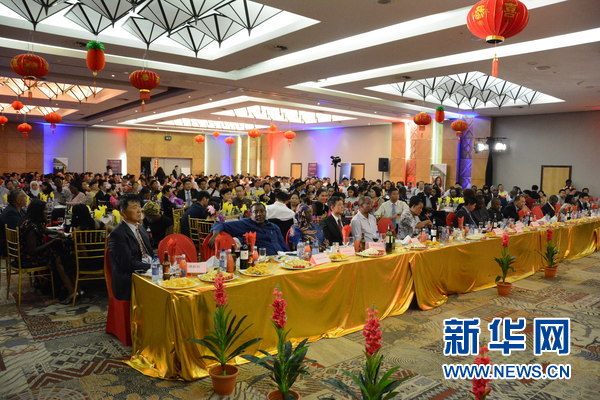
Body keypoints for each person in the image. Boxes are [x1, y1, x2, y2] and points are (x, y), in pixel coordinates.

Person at [19, 199, 75, 303]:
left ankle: (68, 288)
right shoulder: (31, 228)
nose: (46, 211)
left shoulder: (30, 222)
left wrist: (57, 233)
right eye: (44, 210)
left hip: (28, 254)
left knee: (61, 254)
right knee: (59, 258)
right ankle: (70, 289)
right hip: (29, 258)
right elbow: (32, 251)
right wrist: (52, 242)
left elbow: (44, 230)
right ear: (38, 211)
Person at [108, 194, 152, 301]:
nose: (139, 211)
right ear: (123, 212)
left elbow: (148, 252)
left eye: (139, 206)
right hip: (129, 278)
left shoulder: (141, 228)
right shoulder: (117, 234)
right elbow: (127, 263)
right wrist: (151, 267)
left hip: (145, 270)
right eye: (134, 207)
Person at [209, 203, 288, 255]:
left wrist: (289, 257)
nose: (259, 214)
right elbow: (220, 224)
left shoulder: (274, 227)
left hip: (281, 258)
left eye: (262, 211)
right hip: (262, 260)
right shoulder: (245, 224)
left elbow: (284, 246)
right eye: (255, 212)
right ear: (250, 214)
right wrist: (214, 235)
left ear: (265, 213)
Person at [0, 189, 28, 256]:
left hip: (18, 241)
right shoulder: (11, 213)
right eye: (25, 196)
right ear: (18, 200)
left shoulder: (19, 209)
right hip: (12, 246)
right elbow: (20, 231)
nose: (27, 198)